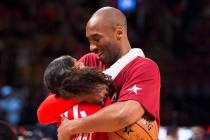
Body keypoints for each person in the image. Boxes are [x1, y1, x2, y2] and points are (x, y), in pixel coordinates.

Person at [37, 6, 160, 140]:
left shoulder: (144, 67)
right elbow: (44, 113)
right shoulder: (88, 61)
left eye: (96, 39)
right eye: (89, 40)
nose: (92, 47)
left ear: (119, 32)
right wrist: (84, 93)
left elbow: (123, 115)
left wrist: (72, 127)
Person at [38, 55, 113, 139]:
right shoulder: (63, 111)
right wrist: (84, 95)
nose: (83, 63)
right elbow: (42, 115)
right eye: (78, 63)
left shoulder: (103, 90)